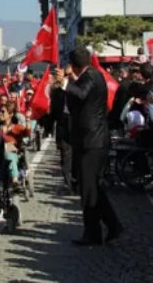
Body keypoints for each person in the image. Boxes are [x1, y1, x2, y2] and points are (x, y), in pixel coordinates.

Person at [55, 46, 122, 246]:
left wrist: (65, 82)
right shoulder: (90, 75)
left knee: (89, 189)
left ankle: (93, 232)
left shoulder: (92, 77)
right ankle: (113, 225)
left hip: (92, 141)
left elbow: (81, 94)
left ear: (74, 65)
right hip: (88, 140)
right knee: (92, 188)